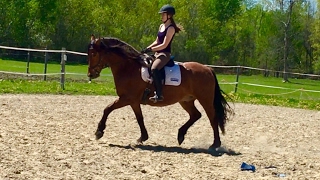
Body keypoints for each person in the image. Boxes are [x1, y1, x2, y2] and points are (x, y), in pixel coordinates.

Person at [141, 4, 182, 103]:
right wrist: (147, 48)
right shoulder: (161, 26)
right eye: (162, 14)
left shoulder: (171, 28)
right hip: (157, 53)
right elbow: (157, 41)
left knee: (155, 68)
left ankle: (159, 94)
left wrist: (152, 49)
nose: (162, 16)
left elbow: (164, 45)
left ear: (169, 15)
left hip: (164, 54)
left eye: (163, 14)